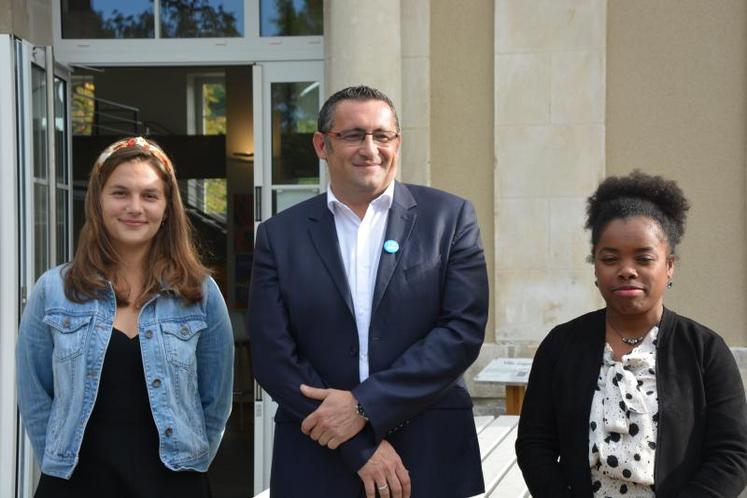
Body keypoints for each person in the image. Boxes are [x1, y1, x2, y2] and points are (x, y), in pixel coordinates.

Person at [248, 85, 489, 498]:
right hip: (317, 454)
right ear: (322, 144)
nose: (370, 148)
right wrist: (357, 445)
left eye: (383, 136)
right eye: (353, 135)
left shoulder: (449, 219)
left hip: (428, 453)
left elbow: (461, 332)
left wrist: (364, 405)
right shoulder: (279, 235)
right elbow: (272, 354)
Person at [17, 137, 234, 498]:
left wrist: (191, 461)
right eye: (120, 193)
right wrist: (57, 461)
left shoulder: (200, 293)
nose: (135, 207)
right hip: (76, 485)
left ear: (167, 208)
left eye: (150, 195)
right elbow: (35, 397)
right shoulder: (53, 290)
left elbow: (217, 401)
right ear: (99, 201)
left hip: (174, 485)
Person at [516, 171, 747, 497]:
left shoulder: (705, 350)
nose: (626, 269)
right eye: (610, 258)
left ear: (669, 266)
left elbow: (732, 455)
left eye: (644, 258)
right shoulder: (561, 346)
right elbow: (534, 444)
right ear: (595, 266)